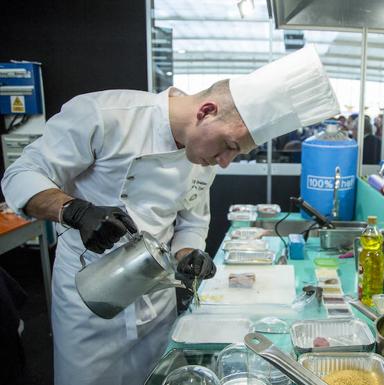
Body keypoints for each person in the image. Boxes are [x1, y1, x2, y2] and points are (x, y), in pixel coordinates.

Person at [0, 45, 339, 385]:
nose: (225, 162)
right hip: (90, 295)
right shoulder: (106, 114)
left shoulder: (203, 156)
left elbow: (192, 220)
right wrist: (74, 210)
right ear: (206, 111)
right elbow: (20, 175)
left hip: (155, 297)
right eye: (230, 147)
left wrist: (188, 253)